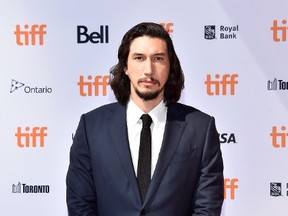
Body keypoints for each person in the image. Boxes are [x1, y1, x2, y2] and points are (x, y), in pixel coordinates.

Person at [66, 22, 224, 216]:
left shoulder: (200, 128)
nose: (149, 69)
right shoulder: (91, 127)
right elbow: (80, 205)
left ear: (170, 67)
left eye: (158, 58)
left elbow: (207, 207)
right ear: (125, 66)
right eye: (139, 58)